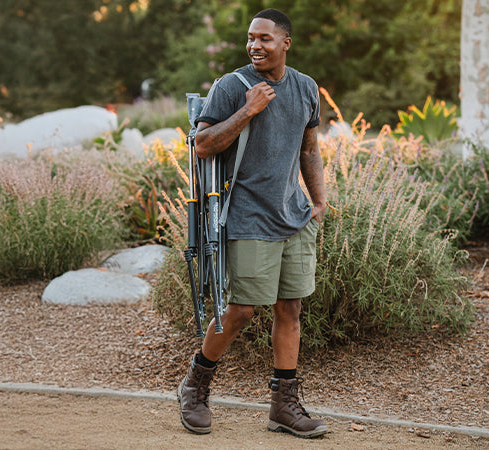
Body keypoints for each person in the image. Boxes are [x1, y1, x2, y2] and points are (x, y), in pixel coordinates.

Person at [176, 9, 330, 438]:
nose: (255, 45)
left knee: (290, 308)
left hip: (293, 215)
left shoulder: (303, 88)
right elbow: (203, 145)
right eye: (250, 38)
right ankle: (195, 386)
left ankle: (283, 407)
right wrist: (247, 111)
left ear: (285, 44)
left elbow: (309, 148)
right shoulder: (231, 86)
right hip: (245, 215)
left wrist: (318, 199)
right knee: (241, 310)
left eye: (265, 39)